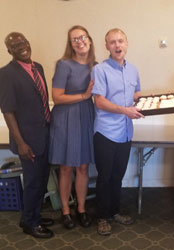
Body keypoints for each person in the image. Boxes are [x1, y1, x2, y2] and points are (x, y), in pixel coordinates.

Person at [0, 32, 54, 238]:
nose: (21, 47)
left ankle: (33, 215)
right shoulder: (6, 73)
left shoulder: (37, 67)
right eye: (15, 45)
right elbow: (8, 110)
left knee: (41, 180)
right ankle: (30, 224)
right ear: (9, 51)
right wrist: (21, 143)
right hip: (28, 140)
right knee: (33, 182)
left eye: (23, 42)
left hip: (44, 134)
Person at [91, 28, 144, 236]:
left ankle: (114, 212)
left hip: (125, 132)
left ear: (127, 43)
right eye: (112, 42)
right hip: (105, 132)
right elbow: (100, 101)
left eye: (120, 41)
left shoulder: (133, 70)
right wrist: (125, 111)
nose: (117, 45)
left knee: (118, 176)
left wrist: (158, 100)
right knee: (104, 177)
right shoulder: (100, 70)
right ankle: (102, 217)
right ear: (107, 47)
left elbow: (136, 94)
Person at [49, 25, 95, 229]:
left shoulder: (97, 66)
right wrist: (84, 96)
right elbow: (56, 97)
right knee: (66, 167)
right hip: (66, 117)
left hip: (86, 116)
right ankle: (66, 211)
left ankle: (82, 208)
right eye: (74, 39)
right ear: (70, 44)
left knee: (83, 166)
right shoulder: (64, 64)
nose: (79, 41)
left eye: (82, 37)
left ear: (90, 40)